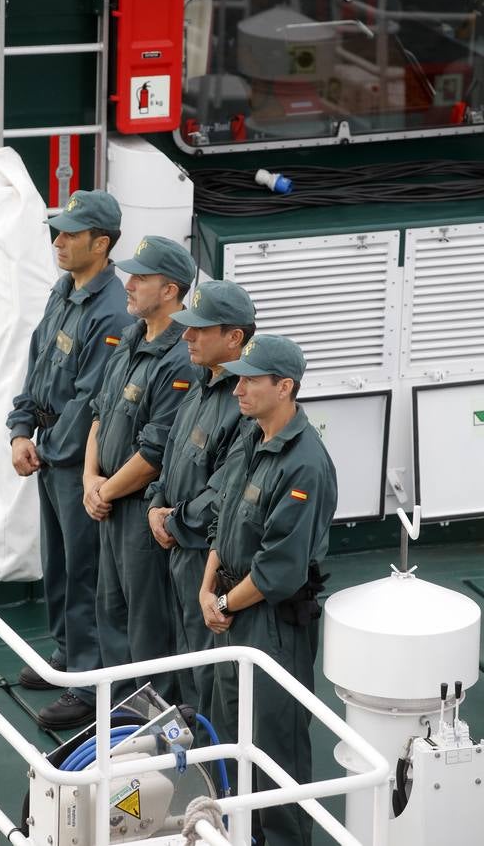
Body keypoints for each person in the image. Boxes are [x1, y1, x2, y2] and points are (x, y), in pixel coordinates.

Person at [199, 334, 337, 846]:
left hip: (270, 624)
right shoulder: (251, 437)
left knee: (275, 751)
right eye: (239, 377)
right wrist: (209, 586)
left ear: (285, 387)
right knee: (226, 733)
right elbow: (224, 513)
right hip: (230, 609)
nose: (238, 389)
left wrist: (219, 602)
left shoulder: (306, 465)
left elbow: (279, 569)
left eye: (252, 380)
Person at [7, 189, 131, 730]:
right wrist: (19, 430)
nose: (58, 241)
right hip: (49, 454)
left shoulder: (110, 311)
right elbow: (38, 365)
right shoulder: (65, 290)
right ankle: (64, 656)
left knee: (83, 573)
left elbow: (89, 399)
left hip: (76, 461)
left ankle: (86, 682)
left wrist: (50, 450)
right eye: (57, 231)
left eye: (70, 234)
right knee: (57, 563)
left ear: (100, 244)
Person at [83, 236, 197, 705]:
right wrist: (90, 480)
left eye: (141, 278)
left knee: (147, 626)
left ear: (170, 290)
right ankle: (122, 720)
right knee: (111, 613)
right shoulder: (132, 338)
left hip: (134, 509)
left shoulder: (177, 358)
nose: (128, 285)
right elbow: (100, 412)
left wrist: (104, 490)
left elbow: (155, 454)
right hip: (108, 499)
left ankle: (157, 729)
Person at [146, 280, 256, 721]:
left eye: (200, 329)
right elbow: (171, 455)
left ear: (234, 338)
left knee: (211, 674)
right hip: (177, 547)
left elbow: (225, 492)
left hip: (203, 555)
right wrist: (155, 503)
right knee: (187, 660)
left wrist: (172, 522)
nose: (187, 335)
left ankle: (220, 772)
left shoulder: (243, 402)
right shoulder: (201, 384)